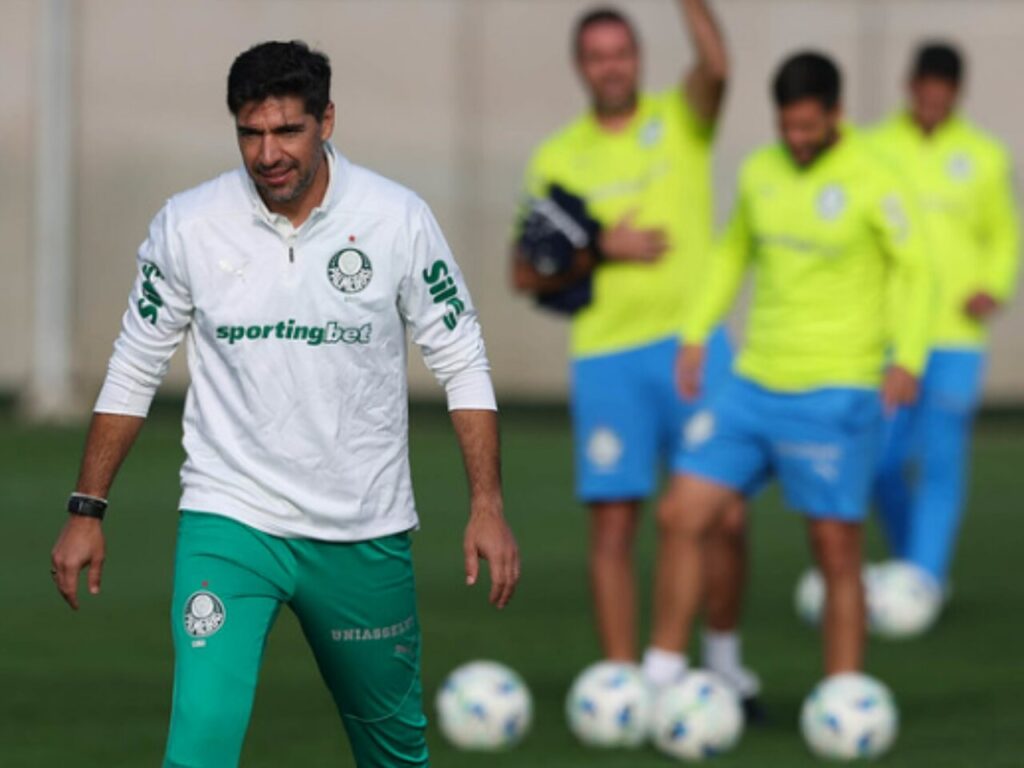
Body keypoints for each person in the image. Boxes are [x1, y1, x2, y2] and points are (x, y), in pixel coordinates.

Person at [49, 40, 519, 768]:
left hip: (363, 526)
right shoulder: (188, 224)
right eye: (250, 132)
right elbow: (134, 364)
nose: (267, 153)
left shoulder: (397, 218)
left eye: (287, 131)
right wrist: (87, 508)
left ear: (327, 120)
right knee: (201, 735)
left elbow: (462, 358)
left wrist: (486, 503)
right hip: (231, 519)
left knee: (393, 752)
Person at [648, 52, 931, 682]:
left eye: (808, 126)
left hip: (838, 390)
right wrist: (694, 334)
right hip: (752, 386)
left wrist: (907, 356)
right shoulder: (760, 172)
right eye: (787, 127)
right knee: (682, 514)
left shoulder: (877, 177)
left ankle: (844, 696)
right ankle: (662, 678)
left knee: (836, 551)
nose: (796, 140)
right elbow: (730, 253)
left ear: (835, 112)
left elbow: (917, 270)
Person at [511, 3, 758, 703]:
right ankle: (625, 685)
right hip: (607, 358)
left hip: (693, 348)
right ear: (580, 67)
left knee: (727, 515)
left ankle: (721, 664)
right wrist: (596, 246)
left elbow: (717, 67)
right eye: (597, 55)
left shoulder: (679, 119)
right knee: (615, 524)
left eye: (622, 52)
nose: (611, 65)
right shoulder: (559, 156)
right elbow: (524, 273)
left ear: (639, 58)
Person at [870, 42, 1020, 591]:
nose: (933, 103)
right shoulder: (874, 148)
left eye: (943, 95)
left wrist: (993, 285)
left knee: (941, 459)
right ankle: (911, 559)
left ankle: (925, 576)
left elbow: (1002, 235)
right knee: (880, 463)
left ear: (957, 93)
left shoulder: (984, 155)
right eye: (924, 92)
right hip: (892, 333)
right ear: (910, 86)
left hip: (957, 337)